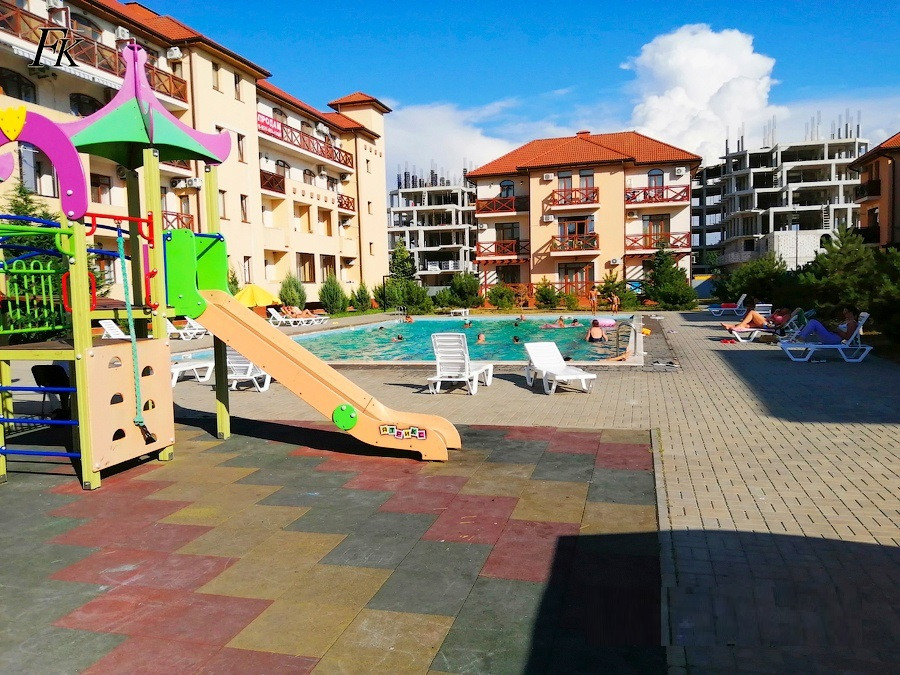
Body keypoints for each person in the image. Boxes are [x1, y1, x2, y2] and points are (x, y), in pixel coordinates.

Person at [792, 306, 859, 344]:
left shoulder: (852, 323)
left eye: (846, 311)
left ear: (851, 313)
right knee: (814, 322)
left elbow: (848, 337)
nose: (844, 313)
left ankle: (800, 339)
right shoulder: (846, 321)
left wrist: (837, 330)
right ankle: (800, 338)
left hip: (834, 339)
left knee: (813, 322)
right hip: (832, 336)